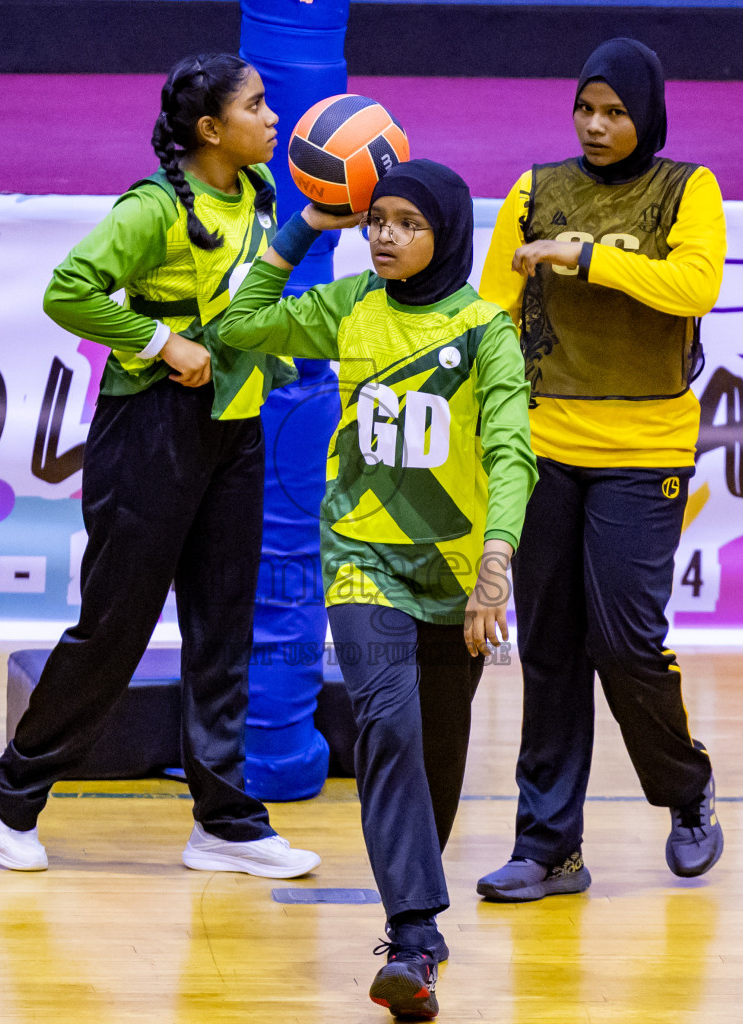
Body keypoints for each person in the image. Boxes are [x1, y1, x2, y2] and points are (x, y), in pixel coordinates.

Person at [0, 53, 319, 879]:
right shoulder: (152, 209)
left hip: (234, 431)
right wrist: (160, 342)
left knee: (223, 627)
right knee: (116, 628)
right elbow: (68, 291)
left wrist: (314, 229)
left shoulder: (260, 197)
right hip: (150, 429)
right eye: (257, 106)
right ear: (210, 129)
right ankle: (10, 789)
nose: (273, 119)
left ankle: (226, 821)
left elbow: (246, 291)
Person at [217, 159, 537, 1020]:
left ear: (447, 236)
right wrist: (302, 229)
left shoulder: (484, 332)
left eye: (407, 223)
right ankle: (415, 939)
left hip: (460, 574)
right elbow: (241, 323)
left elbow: (512, 454)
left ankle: (413, 932)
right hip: (361, 557)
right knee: (385, 725)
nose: (386, 235)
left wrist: (496, 566)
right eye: (378, 220)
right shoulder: (350, 305)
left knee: (435, 757)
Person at [474, 37, 727, 903]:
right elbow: (493, 316)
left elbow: (692, 287)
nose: (595, 125)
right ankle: (549, 849)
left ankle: (686, 791)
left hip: (644, 451)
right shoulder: (531, 189)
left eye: (615, 111)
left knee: (624, 642)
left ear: (647, 113)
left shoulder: (689, 190)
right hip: (544, 444)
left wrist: (583, 257)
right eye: (586, 109)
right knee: (546, 651)